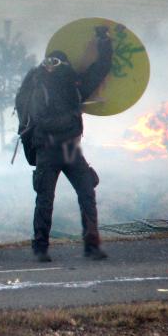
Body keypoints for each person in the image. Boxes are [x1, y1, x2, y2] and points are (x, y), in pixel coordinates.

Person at [16, 27, 113, 262]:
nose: (51, 66)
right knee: (63, 196)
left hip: (56, 149)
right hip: (56, 148)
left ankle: (70, 247)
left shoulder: (62, 85)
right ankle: (54, 247)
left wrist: (103, 41)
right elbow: (41, 119)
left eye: (53, 62)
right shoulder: (55, 86)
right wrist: (71, 120)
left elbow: (99, 70)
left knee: (69, 196)